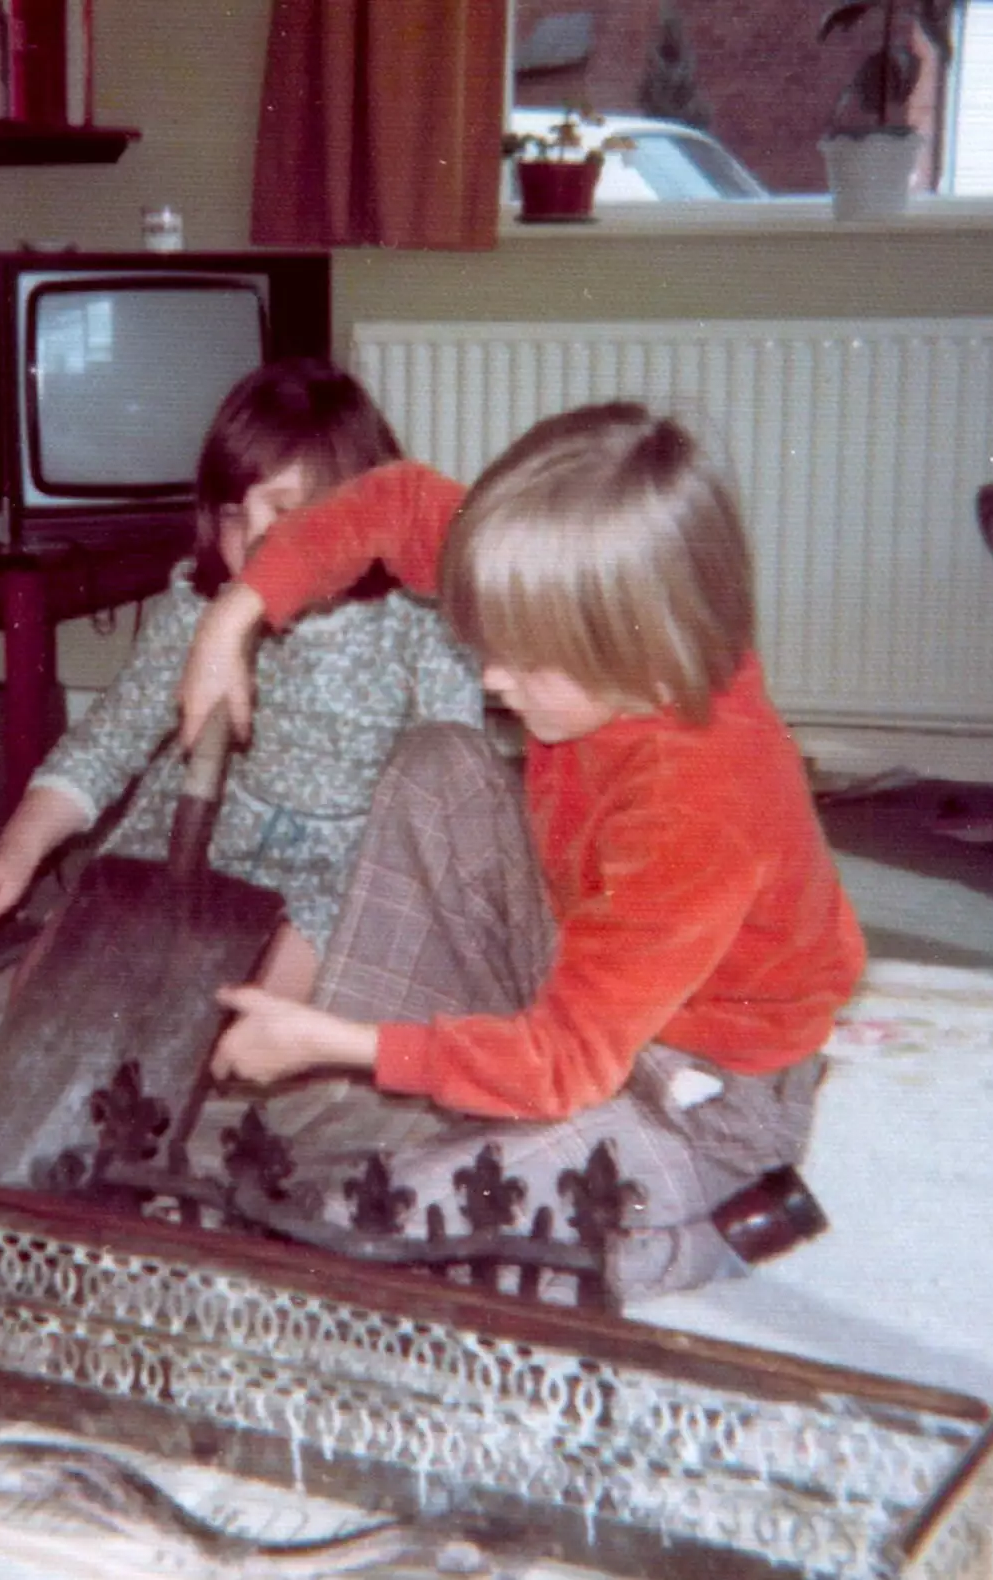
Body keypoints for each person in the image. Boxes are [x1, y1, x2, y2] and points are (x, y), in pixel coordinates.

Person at [176, 401, 866, 1303]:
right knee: (440, 763)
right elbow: (395, 503)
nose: (492, 678)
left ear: (643, 663)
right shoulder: (606, 613)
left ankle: (713, 1226)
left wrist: (338, 1043)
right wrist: (233, 617)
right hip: (587, 970)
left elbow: (565, 1061)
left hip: (699, 1096)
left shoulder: (704, 800)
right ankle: (408, 1094)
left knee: (366, 1236)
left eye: (520, 660)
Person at [0, 358, 483, 999]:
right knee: (49, 988)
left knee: (239, 1016)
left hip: (345, 862)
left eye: (286, 512)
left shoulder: (419, 621)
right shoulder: (200, 608)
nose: (252, 541)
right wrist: (16, 850)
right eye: (232, 516)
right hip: (202, 831)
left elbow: (450, 781)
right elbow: (109, 741)